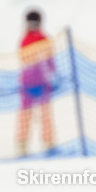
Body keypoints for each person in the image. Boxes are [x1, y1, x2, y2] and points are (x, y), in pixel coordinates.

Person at [16, 9, 56, 157]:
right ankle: (49, 144)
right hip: (41, 82)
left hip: (28, 83)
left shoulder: (25, 39)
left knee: (27, 115)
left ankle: (22, 146)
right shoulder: (44, 39)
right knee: (44, 115)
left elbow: (23, 59)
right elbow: (51, 64)